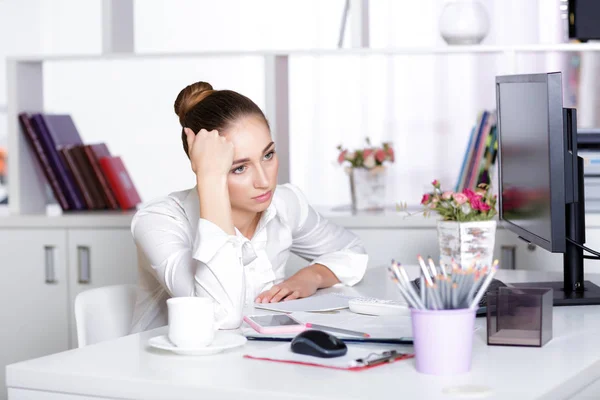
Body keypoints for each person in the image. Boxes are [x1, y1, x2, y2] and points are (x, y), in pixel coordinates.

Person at [129, 81, 368, 333]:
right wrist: (211, 181)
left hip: (255, 359)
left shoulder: (284, 204)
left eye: (268, 155)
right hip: (170, 366)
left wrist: (312, 276)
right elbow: (221, 317)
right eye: (239, 168)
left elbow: (352, 251)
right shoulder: (159, 221)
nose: (264, 181)